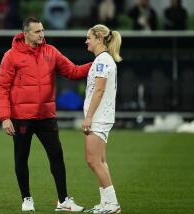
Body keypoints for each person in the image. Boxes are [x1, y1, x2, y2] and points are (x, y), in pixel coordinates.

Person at [0, 17, 91, 212]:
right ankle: (26, 199)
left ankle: (63, 201)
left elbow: (73, 71)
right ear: (26, 33)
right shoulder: (11, 56)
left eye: (42, 30)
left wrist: (98, 64)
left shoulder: (51, 52)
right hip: (21, 117)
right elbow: (1, 88)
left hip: (46, 116)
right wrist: (5, 117)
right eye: (38, 31)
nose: (42, 34)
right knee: (21, 158)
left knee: (57, 156)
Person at [82, 24, 122, 213]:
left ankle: (112, 204)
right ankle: (106, 203)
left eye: (89, 37)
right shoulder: (104, 60)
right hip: (102, 116)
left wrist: (88, 117)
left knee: (93, 160)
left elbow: (99, 90)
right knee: (100, 160)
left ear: (99, 38)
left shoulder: (102, 61)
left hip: (99, 117)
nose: (86, 41)